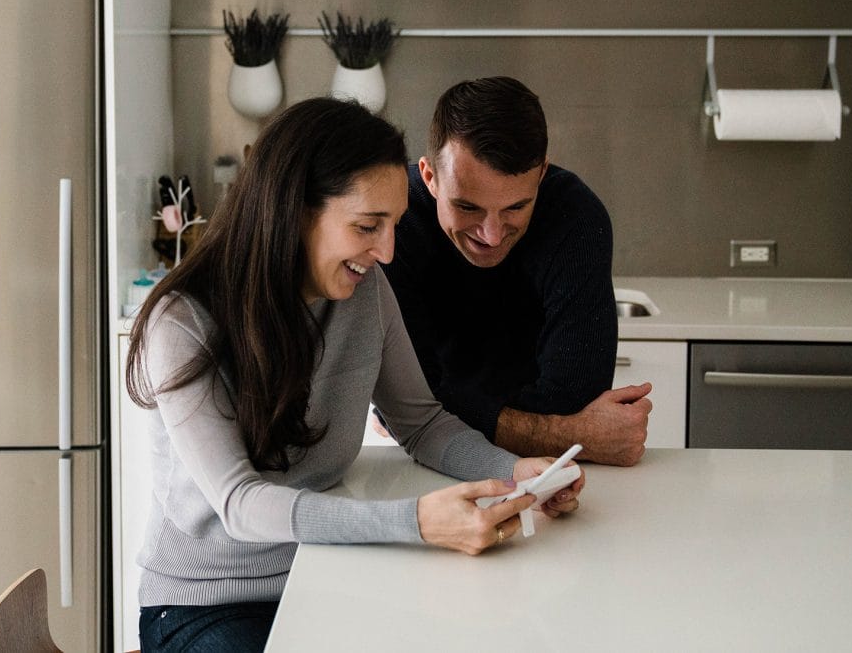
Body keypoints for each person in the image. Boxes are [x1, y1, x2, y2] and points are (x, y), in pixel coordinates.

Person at [125, 97, 584, 653]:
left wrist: (518, 475)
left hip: (328, 573)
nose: (386, 252)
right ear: (294, 211)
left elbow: (423, 424)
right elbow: (241, 504)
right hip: (208, 603)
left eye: (393, 225)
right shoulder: (184, 322)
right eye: (368, 226)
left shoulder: (363, 291)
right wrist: (416, 522)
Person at [383, 77, 652, 466]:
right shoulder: (394, 219)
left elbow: (574, 397)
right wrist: (574, 434)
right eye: (468, 207)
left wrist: (432, 408)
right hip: (418, 459)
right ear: (429, 177)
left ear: (541, 175)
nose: (491, 236)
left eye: (515, 208)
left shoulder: (575, 216)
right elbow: (411, 411)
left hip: (548, 470)